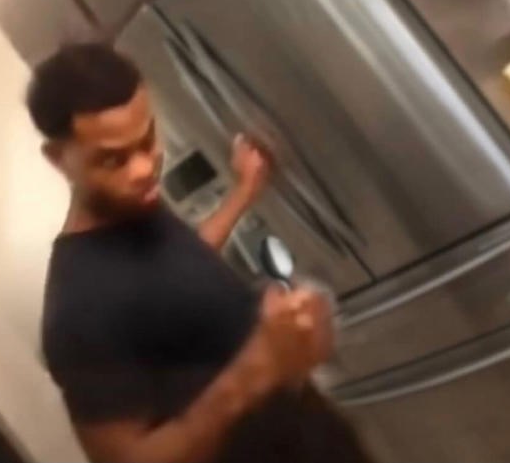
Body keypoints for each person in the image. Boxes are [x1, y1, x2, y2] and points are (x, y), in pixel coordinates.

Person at [27, 42, 375, 463]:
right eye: (112, 160)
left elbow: (176, 275)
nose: (143, 170)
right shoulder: (76, 310)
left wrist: (245, 191)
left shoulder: (134, 206)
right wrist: (259, 367)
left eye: (147, 140)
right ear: (58, 158)